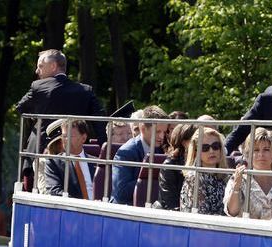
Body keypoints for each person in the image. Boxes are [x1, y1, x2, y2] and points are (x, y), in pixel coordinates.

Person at [16, 49, 106, 191]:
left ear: (53, 66)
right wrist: (105, 152)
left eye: (40, 66)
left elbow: (20, 107)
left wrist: (36, 115)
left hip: (40, 151)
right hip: (76, 153)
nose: (36, 71)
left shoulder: (38, 87)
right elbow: (100, 120)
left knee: (36, 193)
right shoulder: (85, 91)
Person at [110, 105, 169, 204]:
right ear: (143, 128)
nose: (162, 136)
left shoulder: (162, 149)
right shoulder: (126, 152)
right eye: (158, 131)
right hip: (125, 211)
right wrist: (148, 179)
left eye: (164, 132)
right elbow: (121, 193)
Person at [225, 128, 272, 220]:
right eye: (256, 150)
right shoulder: (239, 178)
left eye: (266, 149)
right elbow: (232, 212)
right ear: (248, 155)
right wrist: (236, 187)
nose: (261, 154)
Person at [179, 127, 228, 215]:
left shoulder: (226, 176)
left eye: (215, 146)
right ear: (195, 152)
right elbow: (202, 215)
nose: (211, 151)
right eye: (205, 148)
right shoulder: (194, 178)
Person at [44, 120, 96, 199]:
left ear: (83, 138)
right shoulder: (54, 163)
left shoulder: (97, 162)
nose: (66, 140)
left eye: (71, 136)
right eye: (64, 136)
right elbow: (54, 191)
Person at [156, 124, 196, 210]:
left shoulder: (203, 163)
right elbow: (170, 204)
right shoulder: (170, 166)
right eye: (195, 140)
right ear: (184, 142)